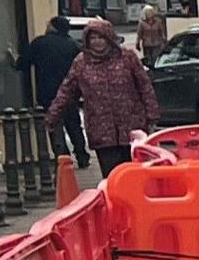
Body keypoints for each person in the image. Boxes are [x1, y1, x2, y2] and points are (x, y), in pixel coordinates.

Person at [48, 16, 156, 174]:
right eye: (93, 38)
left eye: (101, 37)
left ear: (109, 38)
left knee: (134, 174)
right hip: (101, 130)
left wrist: (151, 115)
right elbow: (67, 91)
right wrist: (52, 115)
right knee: (111, 175)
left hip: (132, 127)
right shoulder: (81, 62)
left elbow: (144, 86)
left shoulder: (127, 57)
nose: (97, 41)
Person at [26, 13, 82, 162]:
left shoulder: (39, 43)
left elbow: (23, 63)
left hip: (47, 90)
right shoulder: (73, 45)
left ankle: (62, 155)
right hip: (70, 91)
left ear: (52, 27)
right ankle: (82, 154)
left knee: (54, 123)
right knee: (73, 123)